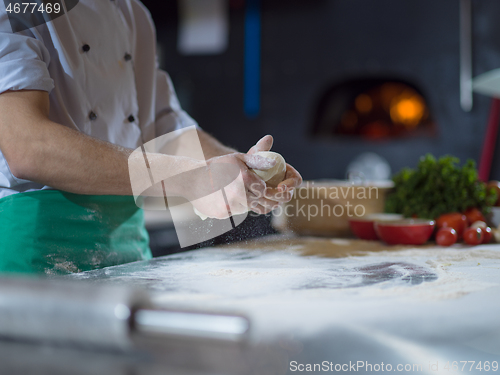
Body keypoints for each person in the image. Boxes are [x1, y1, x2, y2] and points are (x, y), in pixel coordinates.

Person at [0, 0, 302, 275]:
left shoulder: (132, 12)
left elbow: (165, 127)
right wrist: (192, 179)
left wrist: (244, 173)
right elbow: (29, 146)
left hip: (128, 251)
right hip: (37, 255)